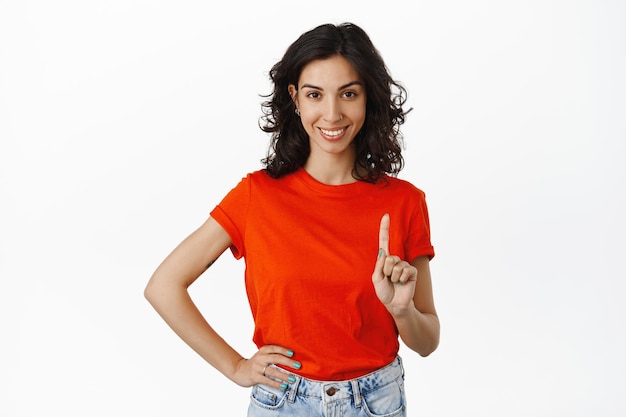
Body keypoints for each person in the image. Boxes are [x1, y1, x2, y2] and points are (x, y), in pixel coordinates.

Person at [145, 22, 439, 417]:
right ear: (295, 99)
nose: (332, 114)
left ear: (368, 98)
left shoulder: (405, 202)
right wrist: (235, 366)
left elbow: (427, 341)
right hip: (283, 401)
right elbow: (164, 286)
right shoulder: (255, 196)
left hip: (375, 402)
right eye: (315, 94)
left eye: (348, 94)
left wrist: (401, 311)